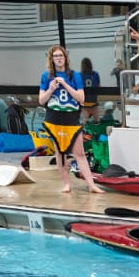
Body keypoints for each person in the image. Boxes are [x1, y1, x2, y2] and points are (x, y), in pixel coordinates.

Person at [38, 44, 104, 196]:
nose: (58, 59)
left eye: (61, 56)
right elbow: (41, 100)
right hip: (54, 118)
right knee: (60, 153)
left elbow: (81, 98)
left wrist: (65, 85)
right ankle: (66, 184)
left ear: (65, 58)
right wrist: (51, 89)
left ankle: (91, 185)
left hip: (71, 118)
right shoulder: (46, 76)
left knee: (79, 152)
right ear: (51, 59)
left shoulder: (75, 75)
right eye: (55, 56)